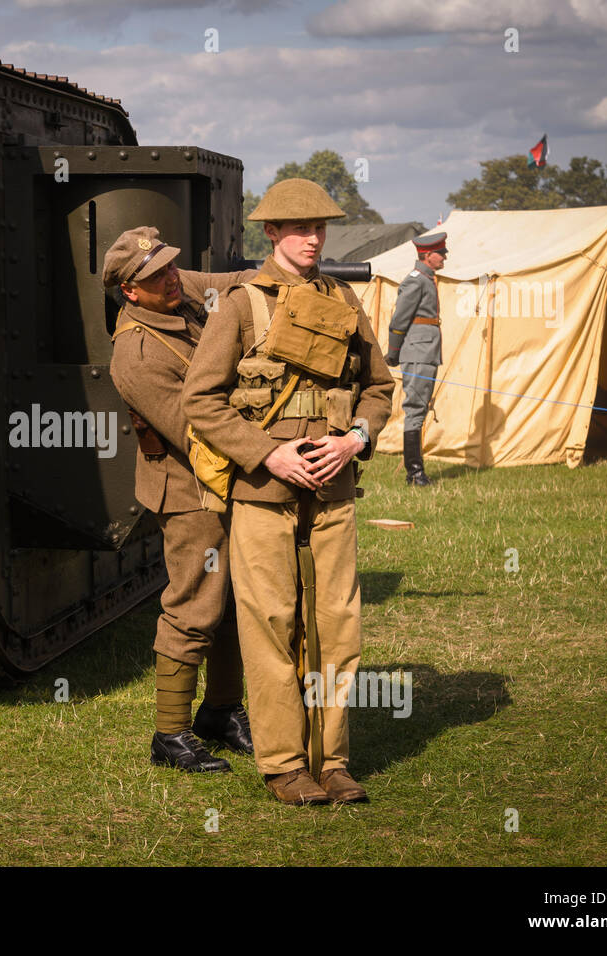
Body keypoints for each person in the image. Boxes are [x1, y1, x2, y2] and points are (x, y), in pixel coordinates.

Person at [182, 180, 394, 804]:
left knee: (337, 629)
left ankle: (332, 762)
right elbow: (201, 400)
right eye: (297, 227)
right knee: (271, 625)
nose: (312, 237)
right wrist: (266, 451)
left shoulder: (345, 300)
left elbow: (379, 388)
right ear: (270, 233)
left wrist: (356, 437)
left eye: (320, 227)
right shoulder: (241, 305)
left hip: (332, 493)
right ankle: (283, 766)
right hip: (261, 494)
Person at [104, 227, 255, 773]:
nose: (172, 277)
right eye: (156, 276)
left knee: (234, 598)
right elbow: (199, 434)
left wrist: (286, 273)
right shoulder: (137, 353)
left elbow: (234, 281)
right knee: (195, 604)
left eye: (170, 266)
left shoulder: (173, 286)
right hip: (191, 488)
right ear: (130, 292)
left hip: (225, 475)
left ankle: (221, 712)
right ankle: (169, 735)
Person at [384, 232, 447, 486]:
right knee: (415, 410)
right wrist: (394, 352)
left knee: (419, 409)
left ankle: (416, 471)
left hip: (426, 351)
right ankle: (415, 473)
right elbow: (399, 320)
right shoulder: (416, 281)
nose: (444, 256)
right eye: (440, 252)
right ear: (426, 255)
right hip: (418, 352)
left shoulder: (427, 279)